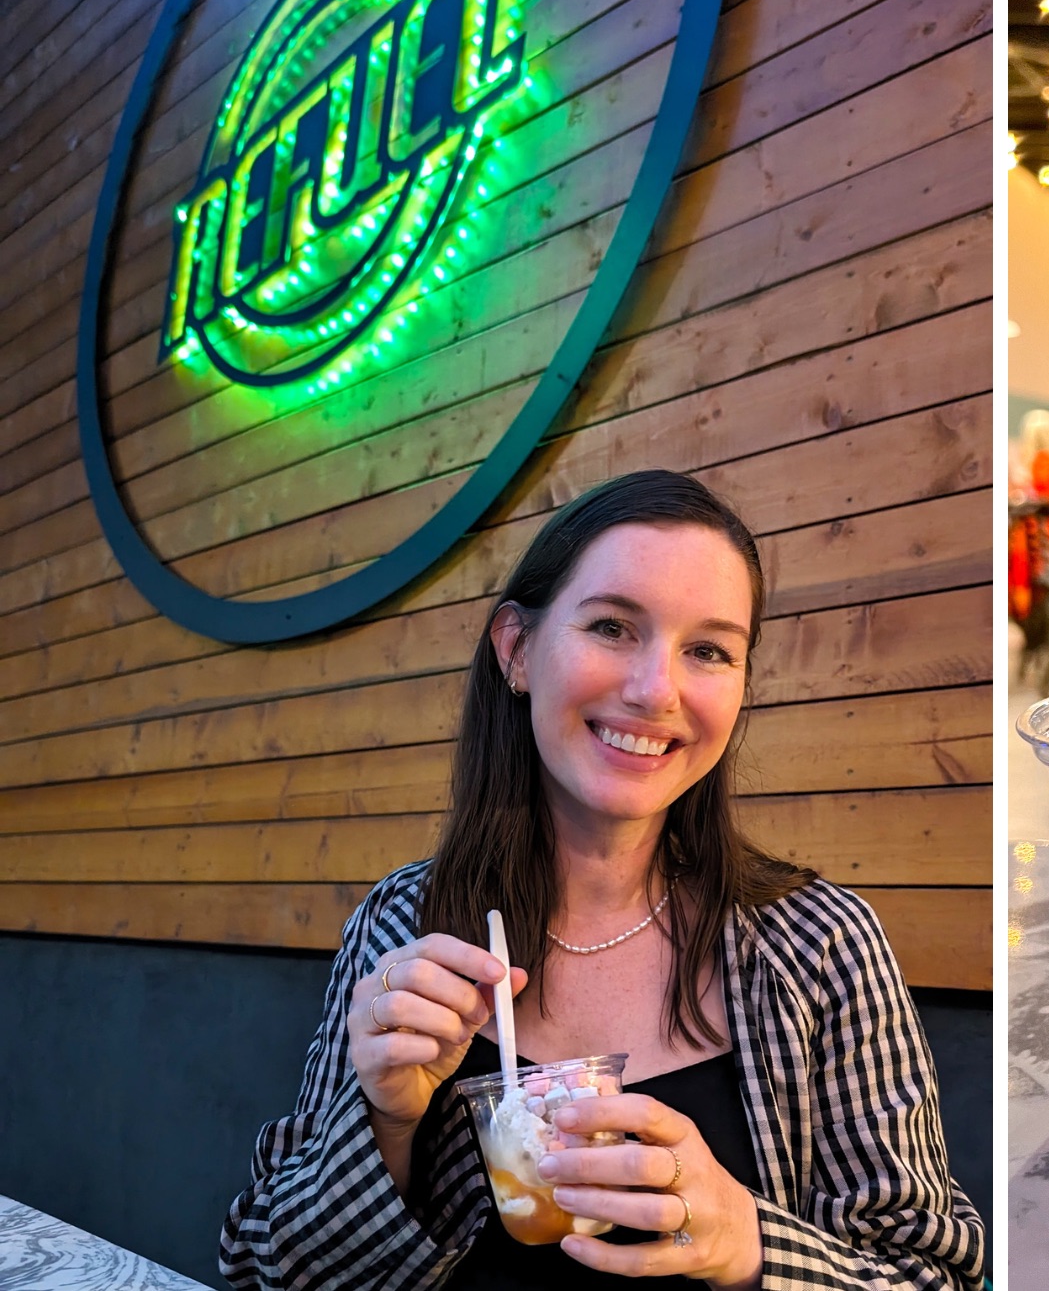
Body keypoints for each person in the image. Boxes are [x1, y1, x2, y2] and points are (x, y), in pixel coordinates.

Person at [219, 471, 986, 1290]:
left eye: (708, 650)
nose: (656, 689)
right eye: (614, 626)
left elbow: (935, 1272)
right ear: (516, 649)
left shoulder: (820, 945)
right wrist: (388, 1124)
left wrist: (746, 1239)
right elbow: (265, 1269)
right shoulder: (404, 924)